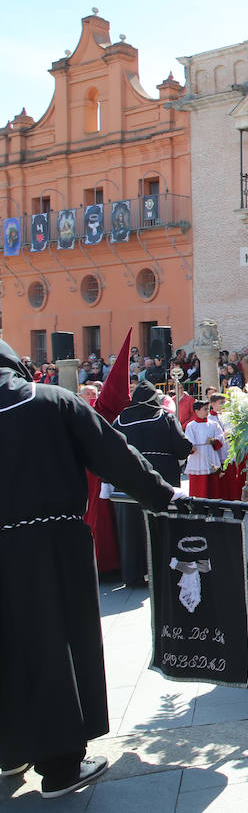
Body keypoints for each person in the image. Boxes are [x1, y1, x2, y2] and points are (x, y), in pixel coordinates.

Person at [0, 340, 181, 799]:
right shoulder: (51, 402)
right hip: (50, 545)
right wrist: (163, 497)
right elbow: (113, 455)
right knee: (54, 642)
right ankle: (60, 767)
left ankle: (9, 751)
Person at [112, 382, 194, 587]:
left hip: (127, 479)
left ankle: (133, 575)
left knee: (131, 528)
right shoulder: (164, 416)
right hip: (160, 477)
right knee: (161, 522)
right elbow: (182, 447)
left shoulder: (120, 419)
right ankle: (163, 570)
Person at [184, 400, 224, 497]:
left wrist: (214, 440)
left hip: (211, 454)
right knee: (199, 484)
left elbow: (220, 437)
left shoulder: (213, 424)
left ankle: (214, 505)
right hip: (198, 457)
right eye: (205, 409)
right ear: (197, 411)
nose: (208, 411)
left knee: (213, 482)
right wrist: (192, 446)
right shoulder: (191, 426)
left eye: (208, 409)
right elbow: (188, 441)